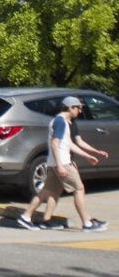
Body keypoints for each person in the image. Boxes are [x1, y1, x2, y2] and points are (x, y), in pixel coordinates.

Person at [17, 96, 109, 232]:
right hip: (62, 162)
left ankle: (28, 217)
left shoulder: (64, 121)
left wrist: (89, 155)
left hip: (55, 162)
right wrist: (60, 165)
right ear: (70, 107)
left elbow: (70, 144)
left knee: (50, 191)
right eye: (78, 108)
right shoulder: (60, 122)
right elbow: (55, 144)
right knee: (79, 189)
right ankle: (87, 223)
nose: (80, 110)